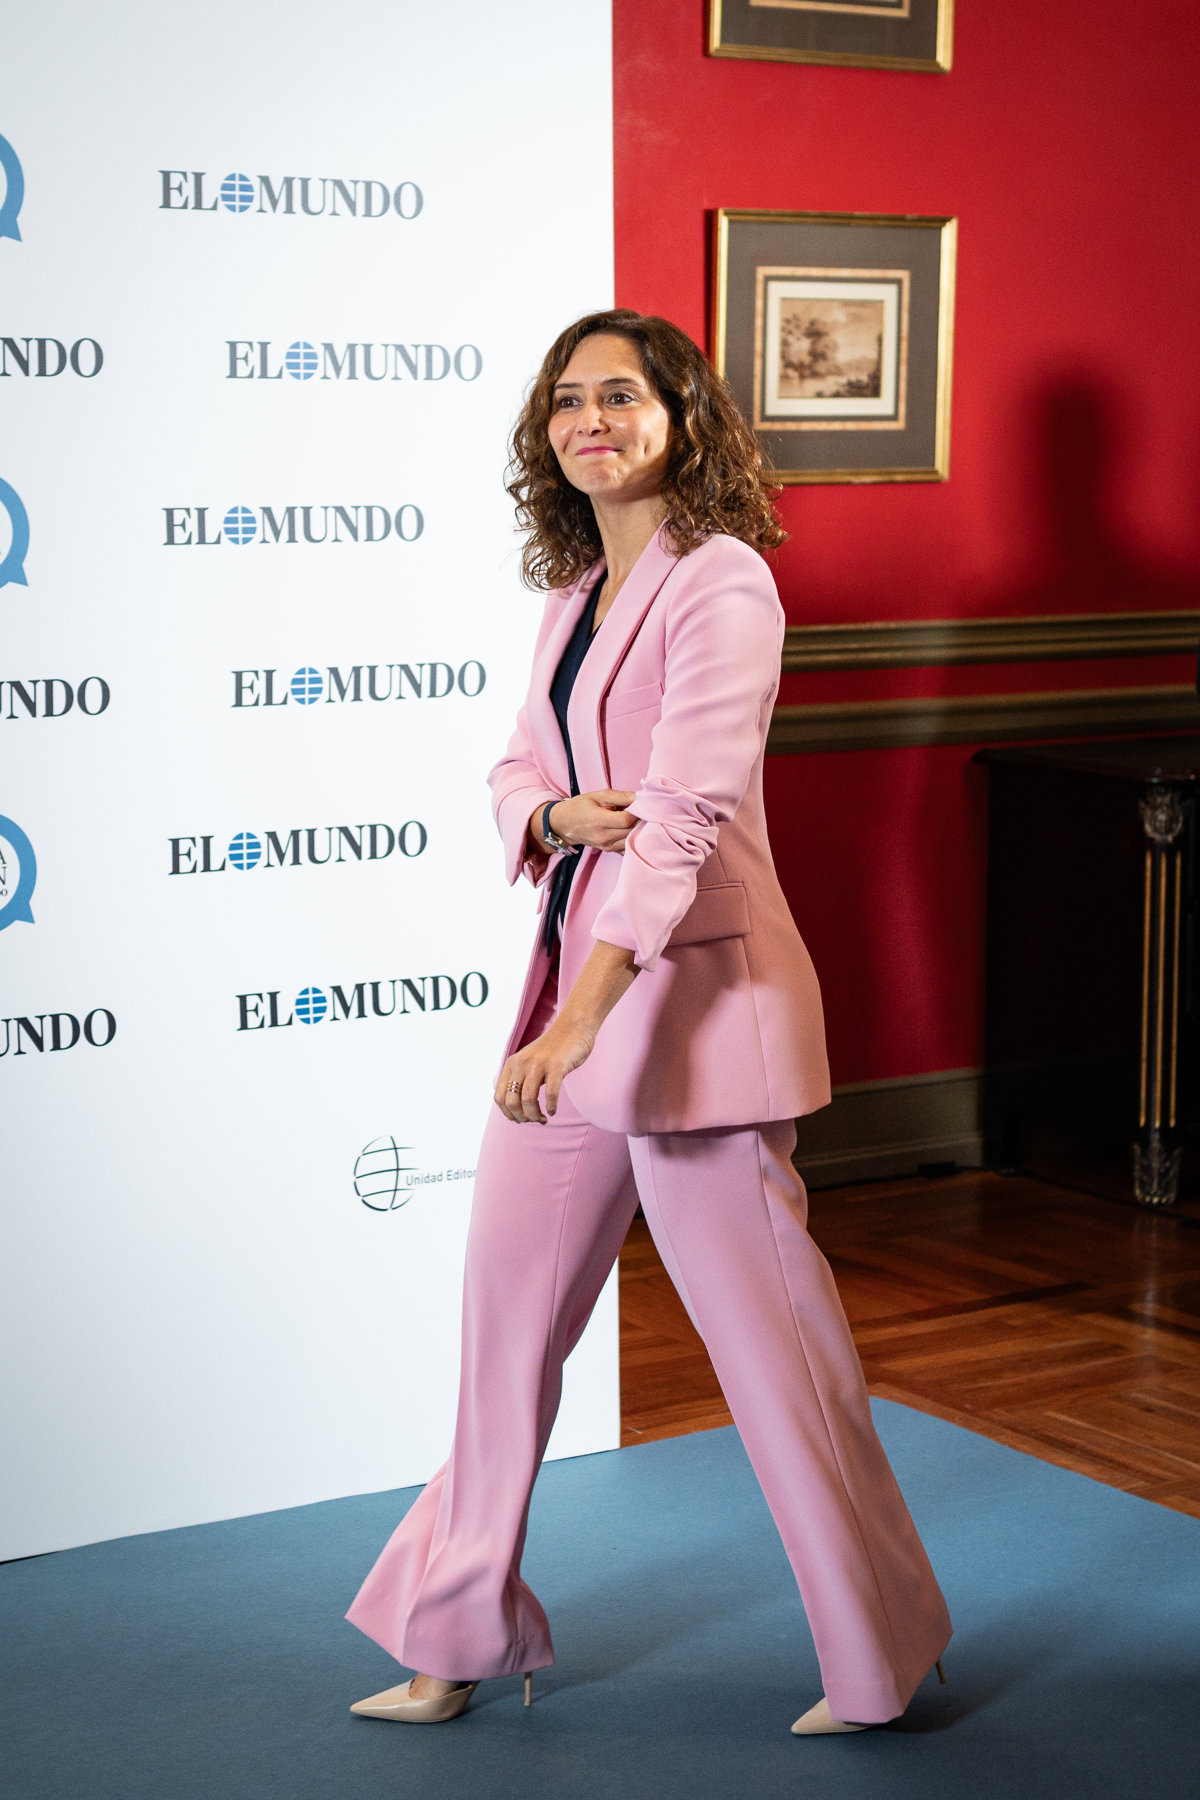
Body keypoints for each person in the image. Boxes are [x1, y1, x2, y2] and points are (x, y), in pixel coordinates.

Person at [345, 309, 952, 1736]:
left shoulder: (724, 580)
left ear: (684, 417)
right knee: (504, 1335)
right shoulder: (573, 594)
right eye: (568, 402)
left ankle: (884, 1650)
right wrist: (556, 816)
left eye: (620, 395)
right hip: (574, 1006)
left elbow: (681, 821)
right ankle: (454, 1635)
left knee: (776, 1360)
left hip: (694, 1013)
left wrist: (579, 1023)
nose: (590, 422)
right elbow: (517, 770)